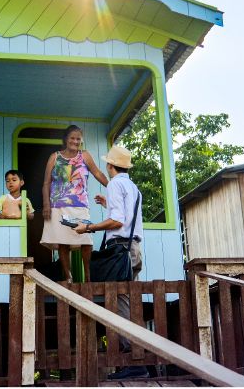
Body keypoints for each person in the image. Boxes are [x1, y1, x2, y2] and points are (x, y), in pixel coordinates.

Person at [74, 144, 145, 380]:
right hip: (134, 250)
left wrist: (89, 227)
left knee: (121, 305)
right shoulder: (132, 186)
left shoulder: (115, 184)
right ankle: (141, 357)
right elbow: (125, 217)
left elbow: (116, 222)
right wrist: (107, 204)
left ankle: (136, 361)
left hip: (120, 250)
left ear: (110, 165)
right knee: (131, 304)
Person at [40, 124, 108, 283]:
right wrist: (46, 205)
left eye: (78, 139)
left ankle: (88, 275)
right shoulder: (54, 157)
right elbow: (46, 183)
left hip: (80, 204)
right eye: (72, 138)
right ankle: (68, 276)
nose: (75, 141)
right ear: (65, 139)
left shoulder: (84, 155)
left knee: (86, 240)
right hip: (59, 204)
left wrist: (113, 186)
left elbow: (97, 173)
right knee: (63, 242)